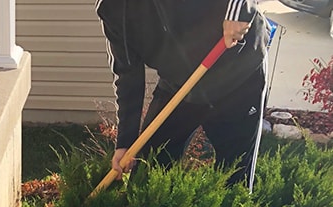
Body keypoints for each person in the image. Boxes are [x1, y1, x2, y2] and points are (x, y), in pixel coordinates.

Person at [95, 0, 270, 189]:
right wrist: (125, 142)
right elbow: (128, 73)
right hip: (178, 81)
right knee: (149, 166)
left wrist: (238, 11)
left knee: (235, 175)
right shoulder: (111, 7)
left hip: (237, 73)